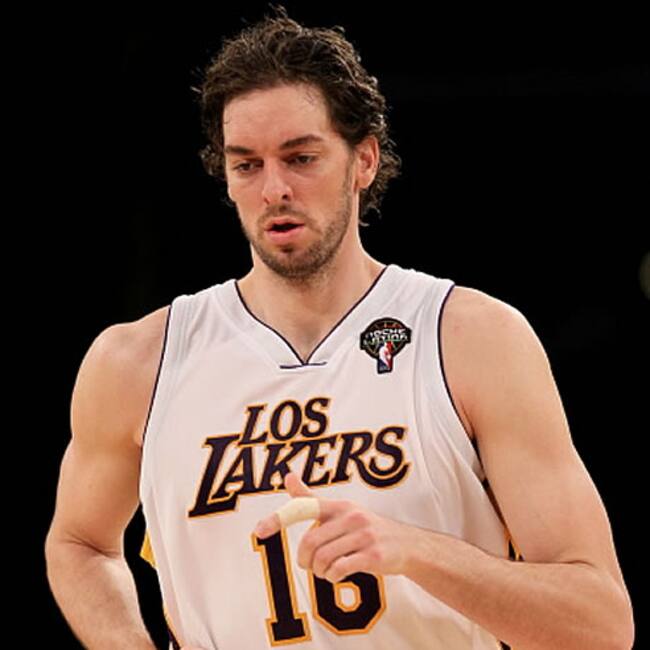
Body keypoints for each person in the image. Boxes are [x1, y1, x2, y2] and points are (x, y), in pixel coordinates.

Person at [45, 5, 635, 650]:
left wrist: (414, 550)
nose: (274, 189)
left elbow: (600, 623)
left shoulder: (471, 339)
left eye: (300, 158)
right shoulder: (137, 361)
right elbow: (79, 544)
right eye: (247, 165)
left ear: (364, 161)